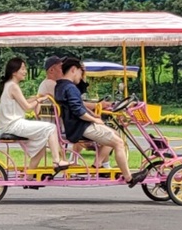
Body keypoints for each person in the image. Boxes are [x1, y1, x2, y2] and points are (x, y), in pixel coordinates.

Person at [55, 57, 148, 188]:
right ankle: (129, 178)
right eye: (81, 73)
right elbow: (78, 110)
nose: (81, 77)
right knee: (119, 142)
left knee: (114, 133)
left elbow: (78, 106)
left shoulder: (60, 86)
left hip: (75, 126)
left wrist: (94, 115)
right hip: (81, 127)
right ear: (73, 70)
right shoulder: (70, 88)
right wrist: (95, 120)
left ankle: (97, 164)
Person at [0, 58, 69, 174]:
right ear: (14, 72)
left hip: (11, 124)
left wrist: (38, 97)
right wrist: (40, 100)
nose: (25, 71)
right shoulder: (13, 86)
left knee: (40, 148)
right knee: (51, 127)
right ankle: (56, 161)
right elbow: (27, 107)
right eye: (23, 69)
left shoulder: (9, 85)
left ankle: (29, 177)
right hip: (14, 125)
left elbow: (23, 101)